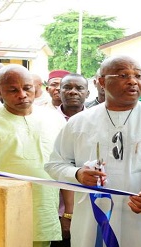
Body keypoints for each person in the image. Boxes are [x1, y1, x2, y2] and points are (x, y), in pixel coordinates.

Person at [44, 55, 141, 247]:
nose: (133, 81)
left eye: (139, 76)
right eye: (123, 75)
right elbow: (55, 164)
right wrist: (77, 174)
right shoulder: (80, 122)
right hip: (92, 215)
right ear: (102, 82)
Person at [0, 64, 66, 247]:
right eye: (13, 90)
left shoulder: (53, 118)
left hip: (43, 212)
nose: (22, 94)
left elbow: (64, 166)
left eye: (27, 88)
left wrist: (68, 212)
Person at [51, 73, 89, 247]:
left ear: (88, 93)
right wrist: (66, 213)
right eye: (67, 87)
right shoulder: (46, 119)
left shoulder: (96, 120)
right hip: (52, 208)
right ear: (59, 91)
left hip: (90, 207)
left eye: (79, 88)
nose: (73, 92)